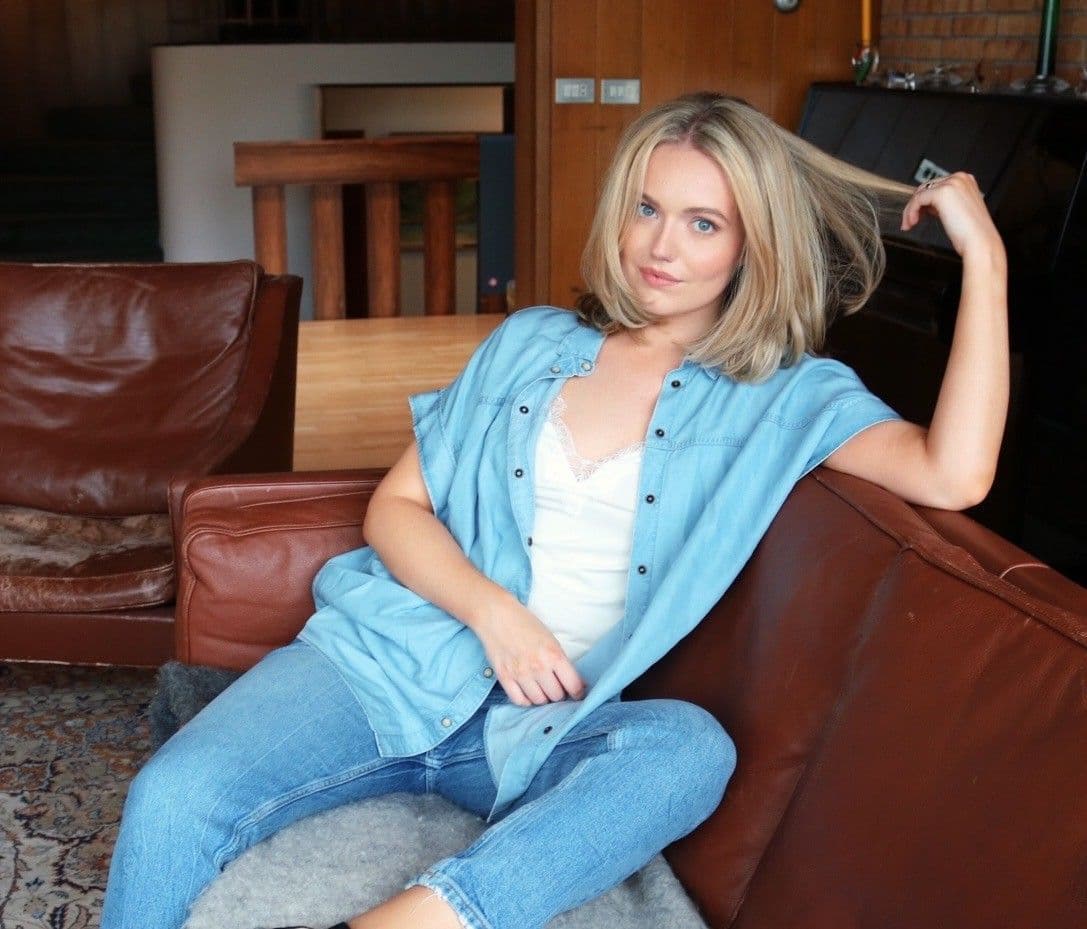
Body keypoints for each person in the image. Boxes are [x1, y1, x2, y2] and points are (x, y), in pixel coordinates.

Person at [101, 91, 1008, 929]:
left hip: (548, 728)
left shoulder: (784, 396)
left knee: (688, 750)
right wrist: (496, 617)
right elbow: (396, 507)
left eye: (703, 223)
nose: (662, 247)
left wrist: (986, 264)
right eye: (647, 209)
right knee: (173, 797)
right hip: (388, 664)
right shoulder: (530, 342)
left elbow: (952, 474)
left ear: (750, 244)